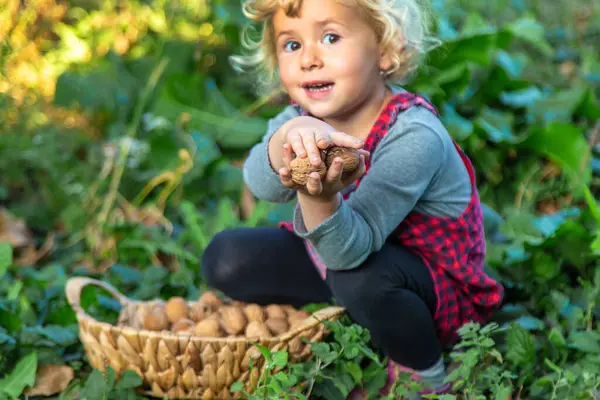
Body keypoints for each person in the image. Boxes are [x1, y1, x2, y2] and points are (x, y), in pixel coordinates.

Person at [200, 0, 505, 398]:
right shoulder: (300, 116)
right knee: (225, 255)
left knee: (356, 276)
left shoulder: (414, 135)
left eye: (330, 37)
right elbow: (260, 183)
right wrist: (284, 141)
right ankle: (334, 326)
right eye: (291, 45)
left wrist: (320, 195)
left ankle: (427, 378)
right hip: (339, 260)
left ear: (384, 49)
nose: (309, 58)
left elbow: (350, 253)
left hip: (432, 292)